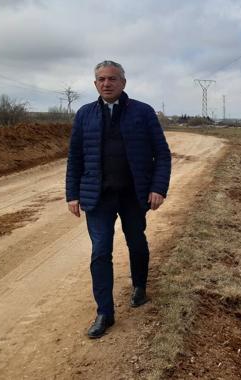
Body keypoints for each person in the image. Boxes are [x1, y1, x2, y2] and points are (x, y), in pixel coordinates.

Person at [65, 60, 171, 339]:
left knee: (136, 241)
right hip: (97, 196)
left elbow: (162, 154)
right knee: (100, 251)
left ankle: (139, 286)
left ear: (123, 82)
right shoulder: (85, 114)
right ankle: (104, 312)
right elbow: (75, 157)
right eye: (101, 79)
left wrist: (158, 187)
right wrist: (72, 194)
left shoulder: (143, 112)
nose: (106, 83)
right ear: (95, 83)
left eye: (112, 78)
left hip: (133, 194)